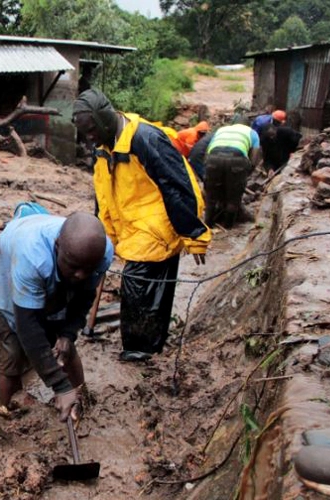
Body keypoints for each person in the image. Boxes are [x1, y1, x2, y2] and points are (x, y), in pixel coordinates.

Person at [71, 89, 210, 362]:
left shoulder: (145, 139)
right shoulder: (103, 145)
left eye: (91, 130)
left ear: (105, 119)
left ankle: (140, 351)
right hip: (132, 225)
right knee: (151, 291)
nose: (89, 138)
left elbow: (178, 186)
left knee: (137, 283)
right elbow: (102, 192)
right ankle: (149, 344)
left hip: (158, 224)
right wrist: (103, 232)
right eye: (84, 133)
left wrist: (193, 234)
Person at [0, 211, 113, 420]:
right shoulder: (32, 259)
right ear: (57, 247)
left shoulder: (100, 254)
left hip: (51, 268)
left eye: (87, 269)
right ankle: (10, 414)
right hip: (8, 270)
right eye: (73, 266)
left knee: (64, 348)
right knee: (12, 353)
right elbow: (28, 328)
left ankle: (79, 399)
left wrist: (67, 334)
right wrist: (60, 386)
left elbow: (84, 297)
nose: (80, 275)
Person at [204, 123, 261, 227]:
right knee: (234, 198)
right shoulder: (252, 133)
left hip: (213, 158)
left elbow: (208, 151)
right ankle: (228, 228)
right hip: (237, 160)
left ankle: (207, 225)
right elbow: (254, 158)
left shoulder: (222, 129)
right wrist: (246, 174)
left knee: (211, 197)